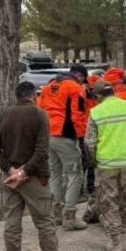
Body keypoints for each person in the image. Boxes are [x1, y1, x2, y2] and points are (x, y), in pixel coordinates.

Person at [0, 81, 75, 251]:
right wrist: (24, 172)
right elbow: (42, 150)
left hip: (10, 179)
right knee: (45, 224)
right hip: (34, 178)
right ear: (33, 96)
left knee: (12, 225)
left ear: (17, 96)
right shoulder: (39, 115)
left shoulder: (3, 115)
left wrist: (11, 170)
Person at [85, 80, 126, 251]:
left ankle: (115, 243)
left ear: (98, 96)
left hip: (106, 165)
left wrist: (95, 162)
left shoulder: (96, 112)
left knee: (109, 203)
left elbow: (89, 142)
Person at [38, 64, 89, 230]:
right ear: (80, 76)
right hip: (64, 135)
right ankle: (70, 216)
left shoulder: (48, 87)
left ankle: (56, 213)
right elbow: (78, 115)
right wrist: (82, 138)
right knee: (75, 174)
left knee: (55, 174)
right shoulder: (75, 88)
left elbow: (39, 109)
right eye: (83, 80)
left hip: (47, 135)